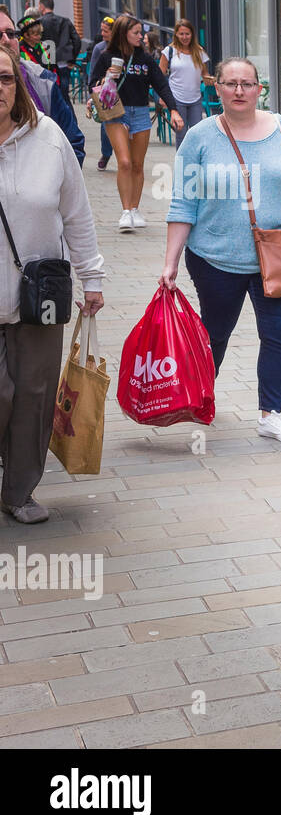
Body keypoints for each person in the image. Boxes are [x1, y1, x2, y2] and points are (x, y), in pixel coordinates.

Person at [160, 57, 281, 443]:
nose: (239, 91)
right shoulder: (199, 138)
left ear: (259, 89)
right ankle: (200, 396)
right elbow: (182, 203)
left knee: (278, 335)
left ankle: (271, 414)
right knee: (215, 334)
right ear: (215, 87)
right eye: (231, 84)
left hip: (279, 255)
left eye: (247, 84)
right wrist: (169, 262)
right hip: (214, 259)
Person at [0, 45, 105, 525]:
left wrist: (93, 277)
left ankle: (20, 491)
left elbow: (76, 215)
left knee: (35, 396)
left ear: (17, 83)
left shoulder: (48, 137)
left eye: (4, 79)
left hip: (38, 296)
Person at [88, 15, 183, 233]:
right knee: (124, 162)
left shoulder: (145, 58)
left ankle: (135, 208)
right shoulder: (107, 56)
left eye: (141, 32)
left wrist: (174, 109)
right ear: (124, 33)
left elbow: (161, 84)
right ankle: (125, 211)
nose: (141, 37)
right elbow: (91, 84)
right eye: (136, 33)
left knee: (138, 164)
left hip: (140, 113)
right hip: (116, 112)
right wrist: (107, 78)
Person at [0, 9, 85, 165]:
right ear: (26, 35)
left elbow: (73, 142)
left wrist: (52, 181)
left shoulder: (43, 77)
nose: (6, 40)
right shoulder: (25, 51)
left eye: (11, 33)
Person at [159, 19, 214, 149]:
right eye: (181, 34)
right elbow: (159, 76)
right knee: (181, 134)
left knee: (197, 133)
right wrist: (162, 97)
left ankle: (195, 162)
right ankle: (182, 163)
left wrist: (213, 80)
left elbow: (204, 74)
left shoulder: (199, 52)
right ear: (176, 35)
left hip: (195, 98)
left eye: (187, 34)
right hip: (176, 98)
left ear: (192, 34)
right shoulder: (169, 51)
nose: (184, 37)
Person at [37, 0, 81, 101]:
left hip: (47, 62)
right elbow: (77, 40)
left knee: (51, 97)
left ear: (42, 7)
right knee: (65, 96)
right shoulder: (65, 21)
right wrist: (72, 60)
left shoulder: (39, 23)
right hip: (63, 62)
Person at [90, 16, 114, 170]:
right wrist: (92, 94)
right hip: (105, 93)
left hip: (122, 91)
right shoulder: (99, 48)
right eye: (102, 30)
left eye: (106, 31)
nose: (102, 33)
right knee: (106, 124)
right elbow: (93, 72)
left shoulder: (123, 47)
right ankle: (106, 154)